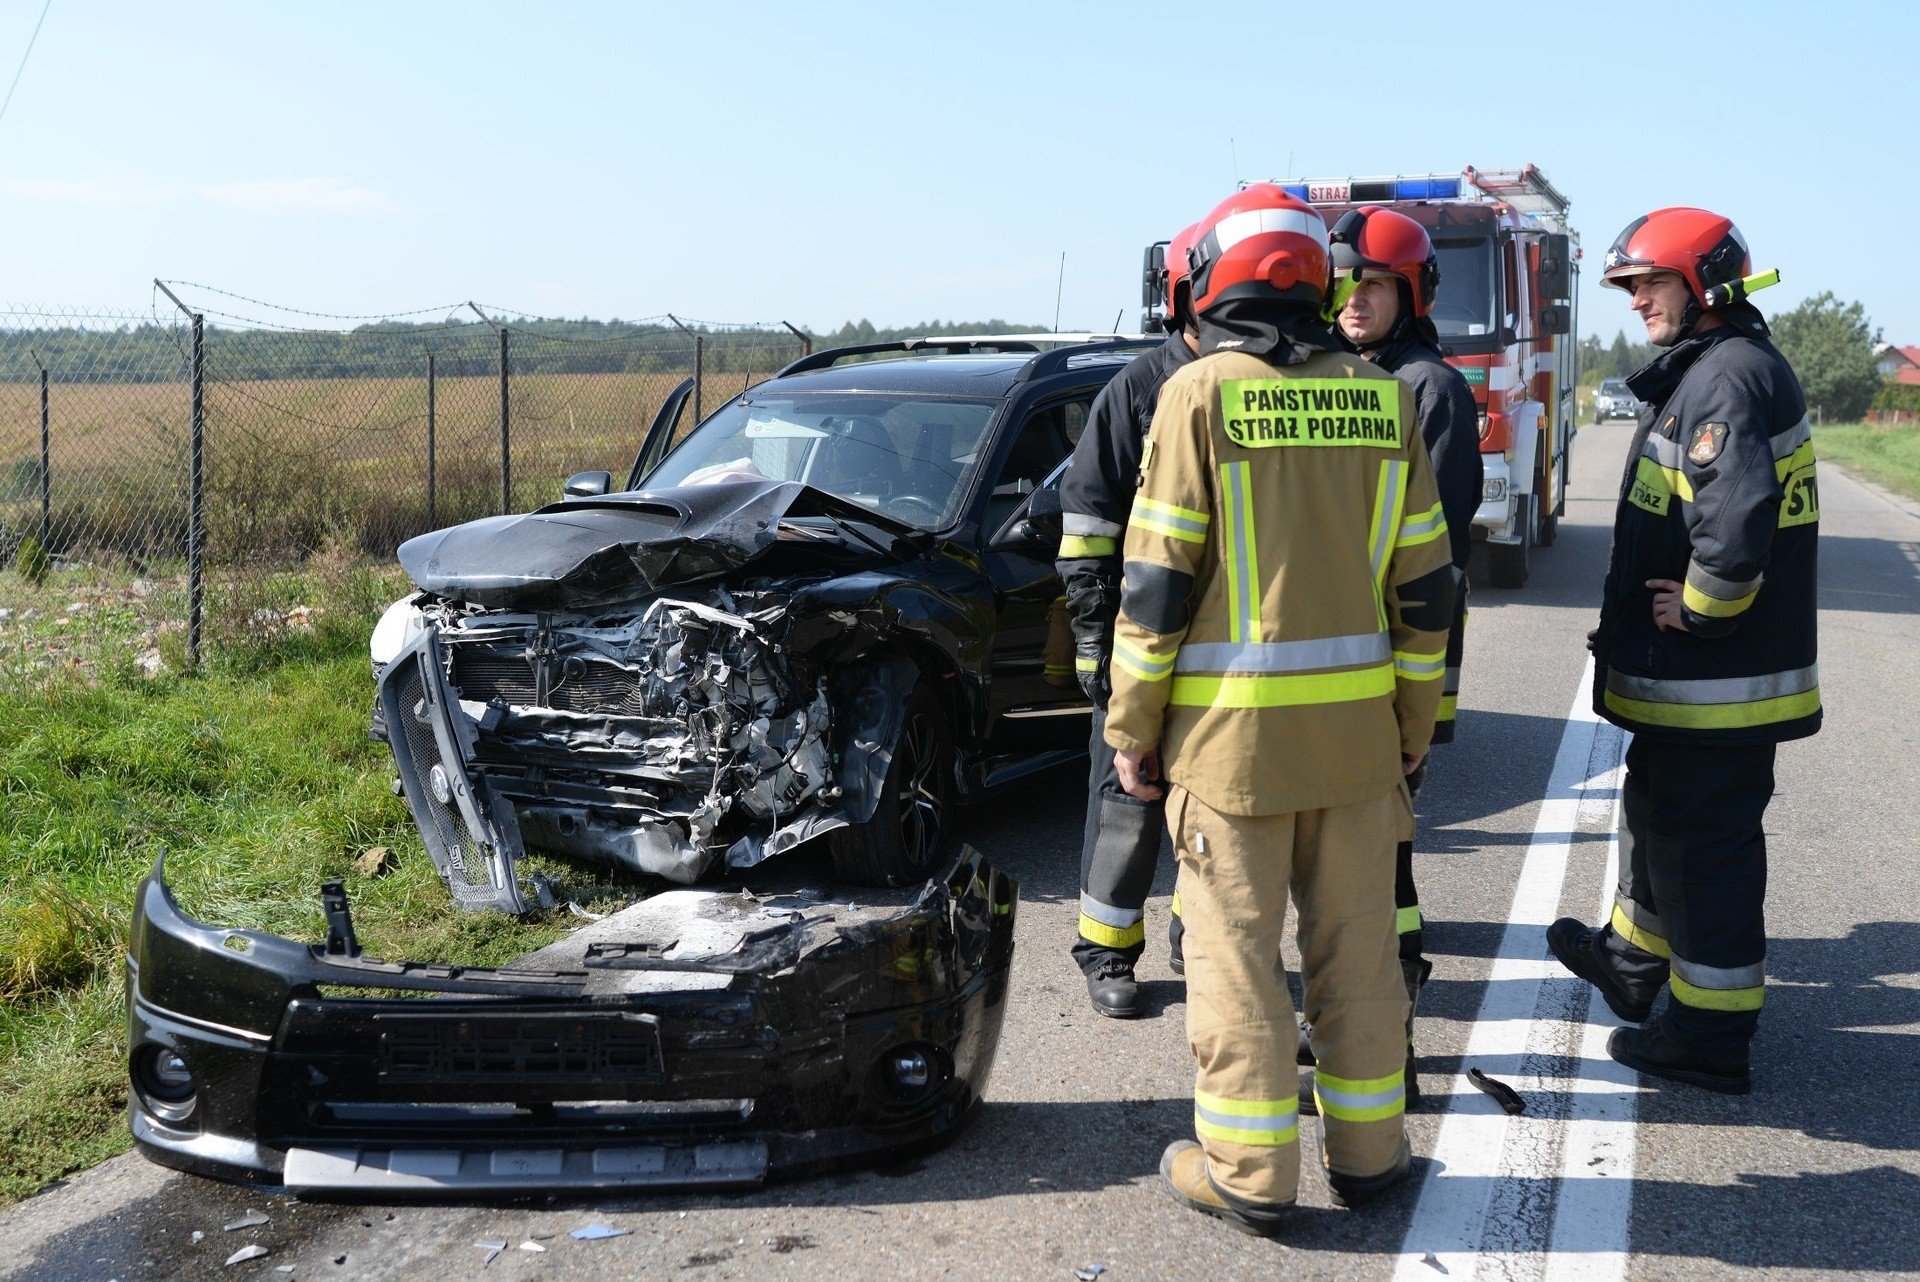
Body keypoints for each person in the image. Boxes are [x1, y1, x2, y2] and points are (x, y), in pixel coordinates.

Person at [1104, 184, 1455, 1232]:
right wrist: (1412, 723)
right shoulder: (1385, 399)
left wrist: (1130, 726)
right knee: (1357, 954)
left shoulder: (1199, 395)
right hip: (1357, 747)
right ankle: (1373, 1158)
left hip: (1229, 753)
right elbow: (1429, 588)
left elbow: (1156, 586)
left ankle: (1252, 1177)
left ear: (1214, 275)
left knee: (1235, 965)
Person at [1549, 207, 1819, 1094]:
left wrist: (1699, 611)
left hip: (1720, 677)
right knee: (1660, 815)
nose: (1639, 303)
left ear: (1705, 285)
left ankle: (1708, 1038)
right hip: (1704, 685)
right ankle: (1633, 962)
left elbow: (1733, 526)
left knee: (1703, 853)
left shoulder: (1728, 379)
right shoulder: (1717, 368)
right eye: (1632, 288)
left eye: (1652, 285)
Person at [1324, 205, 1484, 1105]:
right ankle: (1369, 1004)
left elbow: (1431, 545)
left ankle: (1390, 1016)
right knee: (1367, 844)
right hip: (1343, 654)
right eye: (1346, 282)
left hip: (1398, 656)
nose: (1355, 299)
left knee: (1381, 839)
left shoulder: (1429, 388)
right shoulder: (1346, 376)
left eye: (1375, 285)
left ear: (1410, 292)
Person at [1057, 222, 1200, 1017]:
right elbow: (1087, 526)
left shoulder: (1253, 384)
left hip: (1225, 647)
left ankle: (1198, 940)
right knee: (1125, 801)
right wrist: (1091, 633)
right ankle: (1107, 953)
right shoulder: (1139, 388)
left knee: (1210, 808)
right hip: (1140, 640)